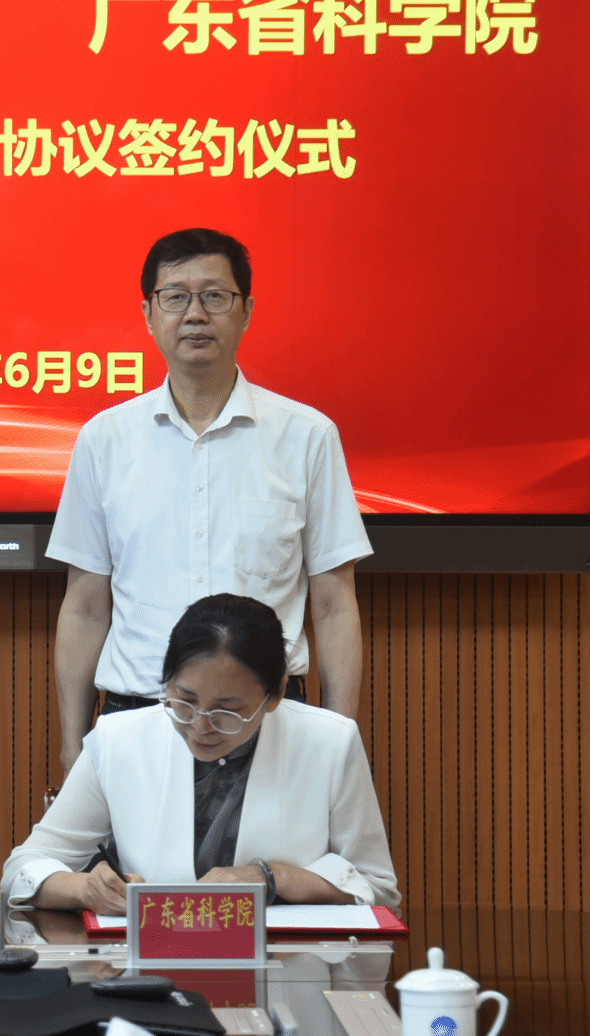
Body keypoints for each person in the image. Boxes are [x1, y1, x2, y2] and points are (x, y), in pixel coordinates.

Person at [48, 228, 374, 772]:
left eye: (215, 296)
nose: (195, 314)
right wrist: (73, 744)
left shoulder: (307, 436)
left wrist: (340, 741)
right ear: (149, 314)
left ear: (246, 312)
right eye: (176, 297)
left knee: (268, 840)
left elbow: (335, 605)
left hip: (268, 722)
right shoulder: (104, 440)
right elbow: (84, 607)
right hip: (136, 721)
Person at [0, 594, 398, 913]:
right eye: (185, 701)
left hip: (287, 969)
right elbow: (21, 870)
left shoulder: (330, 741)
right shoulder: (118, 739)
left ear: (276, 693)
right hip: (152, 971)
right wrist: (85, 888)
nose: (201, 727)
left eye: (228, 711)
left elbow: (377, 887)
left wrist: (272, 878)